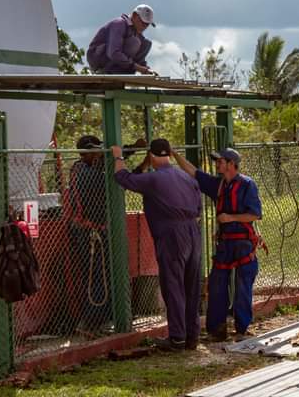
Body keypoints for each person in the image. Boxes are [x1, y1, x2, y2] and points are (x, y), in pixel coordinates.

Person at [112, 139, 203, 351]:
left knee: (173, 285)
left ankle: (177, 338)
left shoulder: (153, 179)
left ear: (151, 157)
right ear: (170, 155)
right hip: (193, 230)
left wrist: (118, 156)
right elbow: (198, 207)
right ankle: (192, 336)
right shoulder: (186, 177)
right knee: (191, 286)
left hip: (171, 234)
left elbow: (122, 177)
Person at [173, 148, 266, 341]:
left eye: (220, 161)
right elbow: (193, 172)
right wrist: (174, 154)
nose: (217, 164)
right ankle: (217, 330)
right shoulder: (218, 185)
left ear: (232, 164)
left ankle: (241, 329)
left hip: (243, 244)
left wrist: (230, 218)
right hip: (225, 244)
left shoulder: (248, 185)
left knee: (243, 286)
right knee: (216, 285)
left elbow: (255, 214)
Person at [65, 135, 112, 333]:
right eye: (93, 151)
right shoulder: (79, 169)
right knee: (94, 275)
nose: (97, 154)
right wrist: (101, 160)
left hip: (103, 228)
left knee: (107, 273)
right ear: (84, 153)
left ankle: (106, 316)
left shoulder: (101, 166)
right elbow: (90, 183)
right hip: (86, 230)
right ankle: (92, 320)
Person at [87, 4, 156, 75]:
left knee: (146, 43)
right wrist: (138, 68)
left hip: (117, 62)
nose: (145, 26)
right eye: (143, 22)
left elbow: (139, 59)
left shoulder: (137, 34)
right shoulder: (119, 24)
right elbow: (114, 53)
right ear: (135, 15)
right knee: (134, 42)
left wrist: (147, 69)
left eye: (147, 24)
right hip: (100, 59)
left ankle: (125, 70)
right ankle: (107, 70)